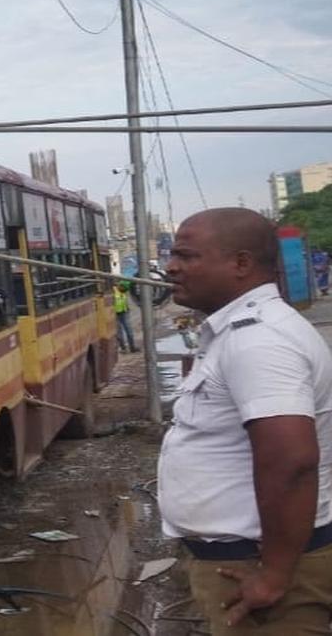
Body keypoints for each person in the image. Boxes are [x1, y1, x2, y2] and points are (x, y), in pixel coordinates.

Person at [159, 208, 332, 635]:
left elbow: (291, 462)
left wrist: (273, 576)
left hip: (259, 564)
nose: (171, 267)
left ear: (240, 263)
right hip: (247, 557)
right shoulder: (239, 333)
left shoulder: (259, 341)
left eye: (186, 255)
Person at [113, 279, 138, 353]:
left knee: (129, 330)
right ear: (120, 286)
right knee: (119, 332)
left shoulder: (123, 291)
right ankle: (123, 348)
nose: (125, 291)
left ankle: (132, 347)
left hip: (124, 312)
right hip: (115, 314)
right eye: (124, 289)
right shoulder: (113, 291)